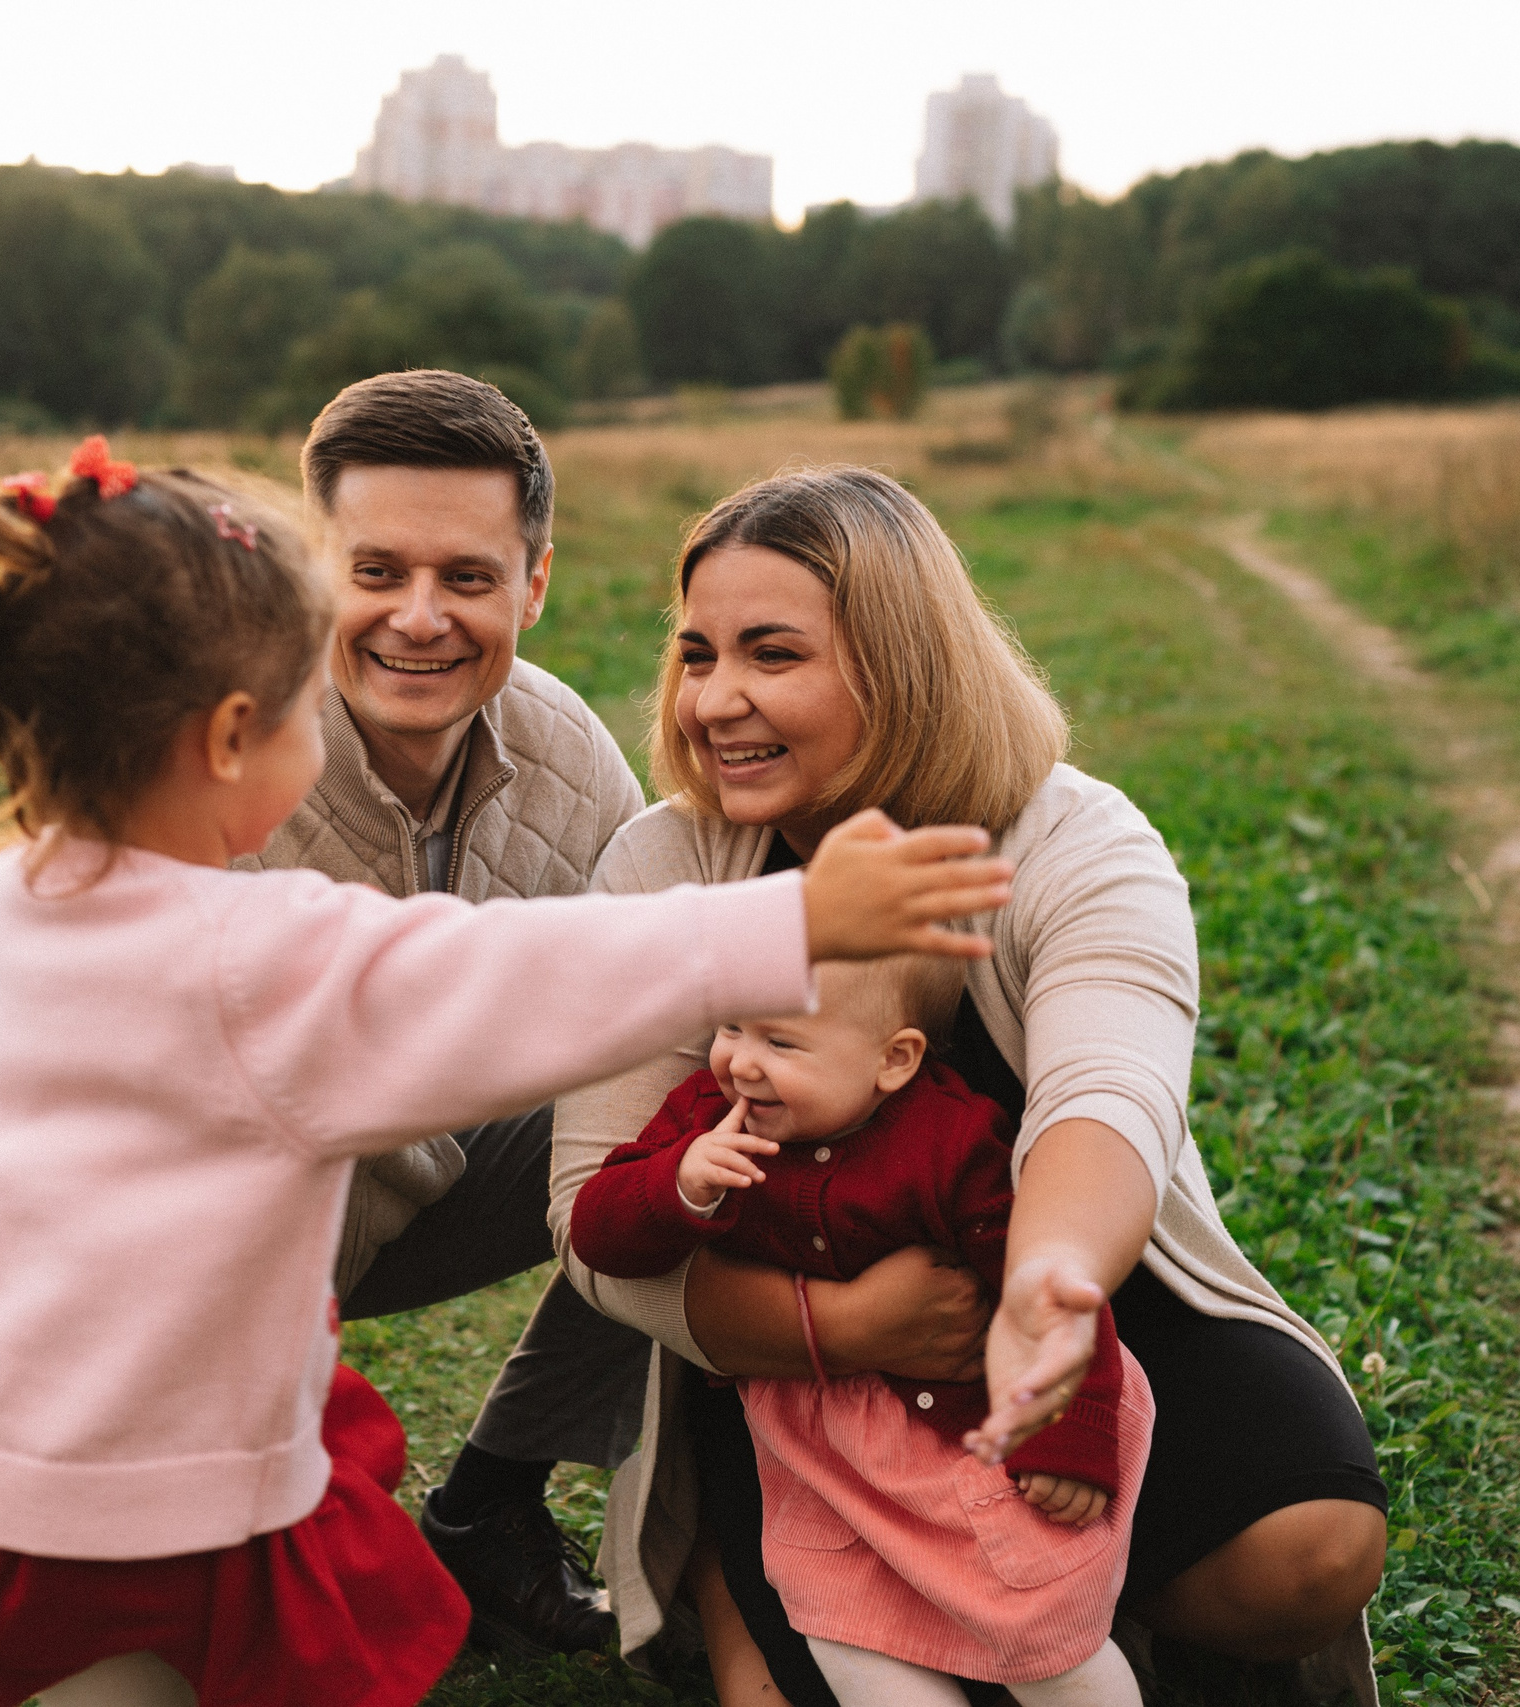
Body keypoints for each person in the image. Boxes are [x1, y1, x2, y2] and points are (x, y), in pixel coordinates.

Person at [0, 440, 1018, 1707]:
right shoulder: (249, 953)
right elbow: (511, 980)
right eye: (299, 701)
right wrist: (799, 919)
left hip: (22, 1474)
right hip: (182, 1502)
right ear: (232, 738)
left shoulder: (19, 894)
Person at [550, 466, 1390, 1707]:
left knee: (1309, 1552)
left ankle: (1044, 1597)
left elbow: (1108, 1097)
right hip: (788, 1372)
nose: (715, 699)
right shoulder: (665, 865)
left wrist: (1046, 1292)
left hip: (1070, 1316)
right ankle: (746, 1571)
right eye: (696, 655)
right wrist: (845, 1328)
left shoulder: (1074, 842)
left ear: (900, 664)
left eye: (772, 654)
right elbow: (590, 1206)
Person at [0, 371, 662, 1656]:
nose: (419, 617)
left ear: (534, 584)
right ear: (310, 571)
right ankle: (126, 1537)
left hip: (455, 1182)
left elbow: (652, 969)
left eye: (467, 577)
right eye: (375, 570)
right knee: (177, 1625)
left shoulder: (566, 751)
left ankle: (501, 1500)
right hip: (227, 1242)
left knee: (706, 1107)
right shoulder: (212, 751)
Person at [569, 957, 1152, 1707]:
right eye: (730, 1027)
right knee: (848, 1632)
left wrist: (1069, 1429)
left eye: (781, 1042)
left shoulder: (951, 1138)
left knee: (1038, 1636)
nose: (740, 1062)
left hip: (957, 1443)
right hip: (814, 1455)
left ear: (894, 1059)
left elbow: (1047, 1286)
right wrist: (679, 1181)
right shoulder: (707, 1118)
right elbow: (597, 1235)